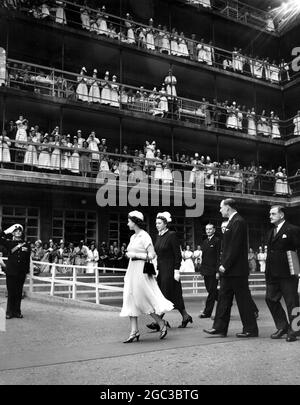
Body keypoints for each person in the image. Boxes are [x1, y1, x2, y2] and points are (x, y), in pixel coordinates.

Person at [203, 199, 258, 338]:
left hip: (237, 271)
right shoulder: (232, 222)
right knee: (223, 299)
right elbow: (228, 247)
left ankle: (251, 329)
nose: (220, 210)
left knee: (243, 300)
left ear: (228, 207)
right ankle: (219, 327)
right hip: (231, 270)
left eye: (221, 207)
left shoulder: (238, 221)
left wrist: (224, 265)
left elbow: (235, 247)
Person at [120, 211, 173, 342]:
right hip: (132, 270)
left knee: (143, 298)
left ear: (135, 221)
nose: (127, 223)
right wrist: (129, 255)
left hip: (142, 271)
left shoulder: (145, 236)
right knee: (130, 297)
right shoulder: (133, 237)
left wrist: (136, 255)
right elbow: (130, 253)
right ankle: (134, 331)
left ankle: (161, 323)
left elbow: (152, 255)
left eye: (129, 221)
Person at [148, 212, 193, 330]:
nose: (157, 225)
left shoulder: (171, 235)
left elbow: (177, 254)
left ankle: (159, 321)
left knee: (164, 294)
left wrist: (176, 270)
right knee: (174, 295)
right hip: (162, 270)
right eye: (156, 223)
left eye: (159, 223)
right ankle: (185, 316)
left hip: (171, 270)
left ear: (165, 224)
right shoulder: (158, 236)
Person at [265, 205, 300, 342]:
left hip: (288, 273)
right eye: (270, 214)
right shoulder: (270, 232)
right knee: (270, 299)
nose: (270, 216)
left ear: (281, 215)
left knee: (292, 302)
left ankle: (295, 330)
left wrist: (298, 270)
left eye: (273, 214)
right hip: (272, 273)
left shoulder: (293, 230)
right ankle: (283, 326)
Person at [0, 224, 31, 319]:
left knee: (18, 293)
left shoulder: (26, 244)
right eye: (16, 231)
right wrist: (6, 231)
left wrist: (26, 272)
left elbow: (27, 260)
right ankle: (9, 312)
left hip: (21, 273)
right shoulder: (9, 243)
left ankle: (17, 311)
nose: (18, 232)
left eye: (19, 231)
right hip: (11, 272)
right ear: (13, 233)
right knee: (11, 292)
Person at [199, 223, 221, 319]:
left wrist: (217, 271)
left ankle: (207, 312)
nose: (208, 231)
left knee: (211, 292)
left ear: (214, 230)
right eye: (206, 229)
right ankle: (224, 300)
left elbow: (218, 257)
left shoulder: (217, 241)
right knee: (211, 290)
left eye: (210, 229)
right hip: (206, 271)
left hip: (213, 271)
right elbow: (204, 257)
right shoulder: (204, 242)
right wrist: (202, 271)